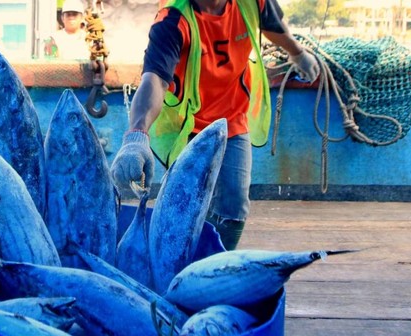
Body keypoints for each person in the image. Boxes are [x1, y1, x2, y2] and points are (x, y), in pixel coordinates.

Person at [110, 0, 320, 251]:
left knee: (235, 205)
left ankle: (215, 266)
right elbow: (155, 80)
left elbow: (273, 26)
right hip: (189, 127)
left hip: (232, 119)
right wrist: (136, 135)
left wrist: (297, 53)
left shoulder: (253, 3)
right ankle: (178, 264)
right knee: (185, 205)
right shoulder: (174, 19)